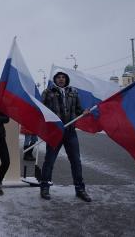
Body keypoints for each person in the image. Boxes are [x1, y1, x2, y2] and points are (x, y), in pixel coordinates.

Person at [40, 71, 91, 202]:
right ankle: (44, 187)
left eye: (63, 77)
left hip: (70, 132)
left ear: (66, 79)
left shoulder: (73, 92)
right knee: (49, 161)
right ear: (55, 80)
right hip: (55, 132)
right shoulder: (48, 92)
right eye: (58, 77)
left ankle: (80, 189)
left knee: (76, 161)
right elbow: (41, 109)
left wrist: (84, 111)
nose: (61, 79)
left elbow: (78, 109)